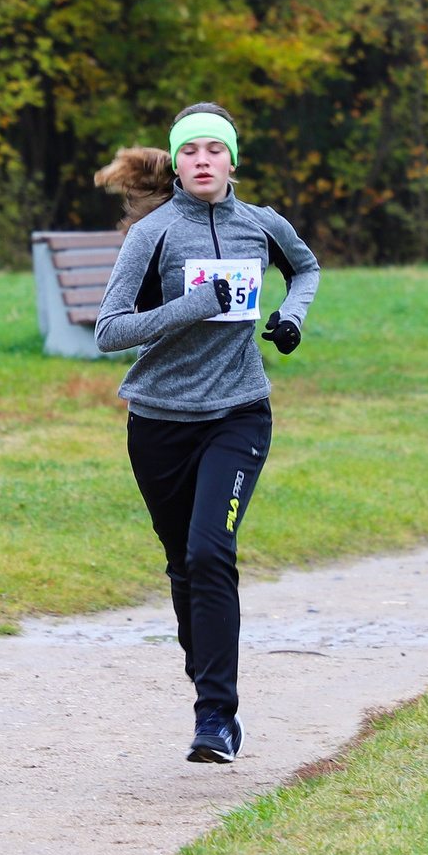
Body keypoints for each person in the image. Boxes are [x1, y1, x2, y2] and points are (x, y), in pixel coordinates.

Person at [93, 103, 319, 764]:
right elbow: (109, 331)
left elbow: (304, 269)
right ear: (179, 162)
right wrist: (194, 305)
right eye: (189, 150)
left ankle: (216, 717)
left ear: (231, 160)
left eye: (212, 150)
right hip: (159, 422)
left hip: (238, 413)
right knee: (181, 564)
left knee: (210, 552)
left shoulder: (261, 223)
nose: (201, 160)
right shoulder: (154, 233)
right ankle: (208, 671)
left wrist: (292, 317)